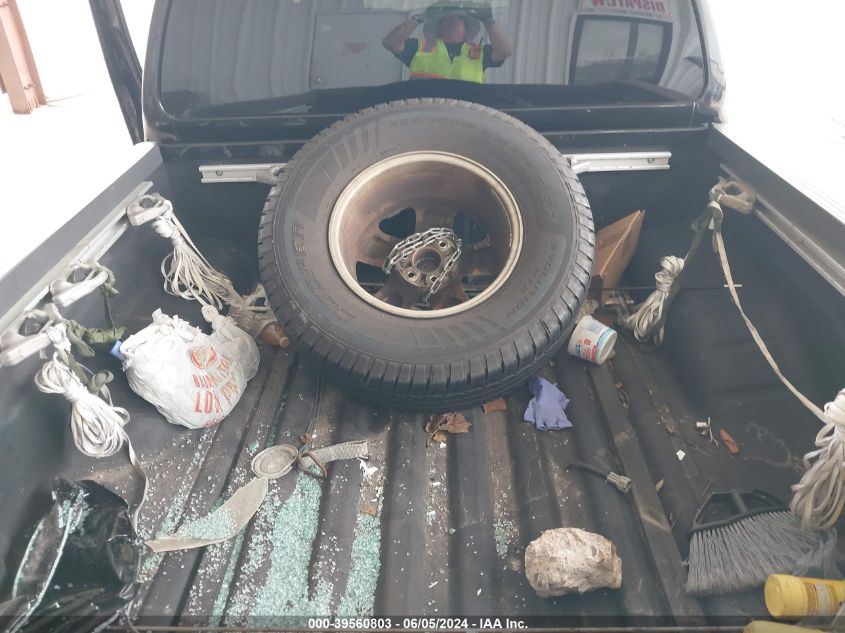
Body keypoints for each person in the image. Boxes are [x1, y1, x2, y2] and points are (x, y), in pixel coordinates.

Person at [382, 1, 513, 84]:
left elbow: (505, 52)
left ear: (466, 26)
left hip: (467, 119)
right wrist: (419, 18)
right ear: (438, 26)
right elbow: (390, 42)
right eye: (448, 18)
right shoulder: (418, 48)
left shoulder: (478, 51)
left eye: (459, 19)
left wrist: (489, 22)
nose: (454, 21)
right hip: (425, 117)